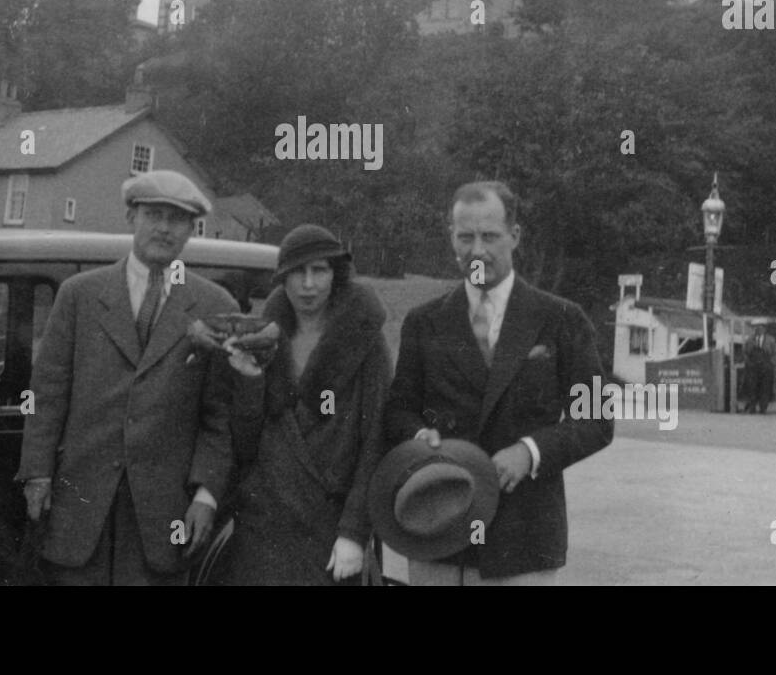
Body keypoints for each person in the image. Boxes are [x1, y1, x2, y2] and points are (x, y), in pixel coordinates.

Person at [15, 170, 238, 585]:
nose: (164, 228)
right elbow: (45, 396)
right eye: (154, 214)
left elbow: (219, 417)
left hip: (162, 516)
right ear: (130, 217)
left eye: (177, 219)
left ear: (192, 229)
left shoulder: (214, 305)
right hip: (80, 506)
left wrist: (206, 496)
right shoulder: (79, 295)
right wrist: (38, 474)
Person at [385, 181, 612, 585]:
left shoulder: (563, 320)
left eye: (489, 237)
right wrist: (423, 439)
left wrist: (530, 452)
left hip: (522, 542)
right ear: (450, 238)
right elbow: (399, 410)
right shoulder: (424, 322)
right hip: (438, 530)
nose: (477, 251)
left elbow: (597, 421)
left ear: (515, 236)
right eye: (465, 237)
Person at [214, 224, 391, 586]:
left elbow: (376, 439)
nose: (308, 284)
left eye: (319, 270)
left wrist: (354, 533)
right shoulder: (264, 336)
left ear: (335, 274)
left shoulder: (366, 342)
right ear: (282, 278)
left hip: (331, 532)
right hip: (263, 530)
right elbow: (245, 444)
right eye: (297, 272)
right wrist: (249, 380)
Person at [741, 323, 776, 414]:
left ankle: (763, 408)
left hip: (766, 369)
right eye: (756, 327)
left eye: (761, 327)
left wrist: (770, 364)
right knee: (752, 388)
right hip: (753, 369)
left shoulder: (771, 340)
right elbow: (744, 353)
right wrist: (748, 363)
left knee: (765, 388)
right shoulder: (749, 340)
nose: (758, 329)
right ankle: (752, 407)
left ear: (764, 329)